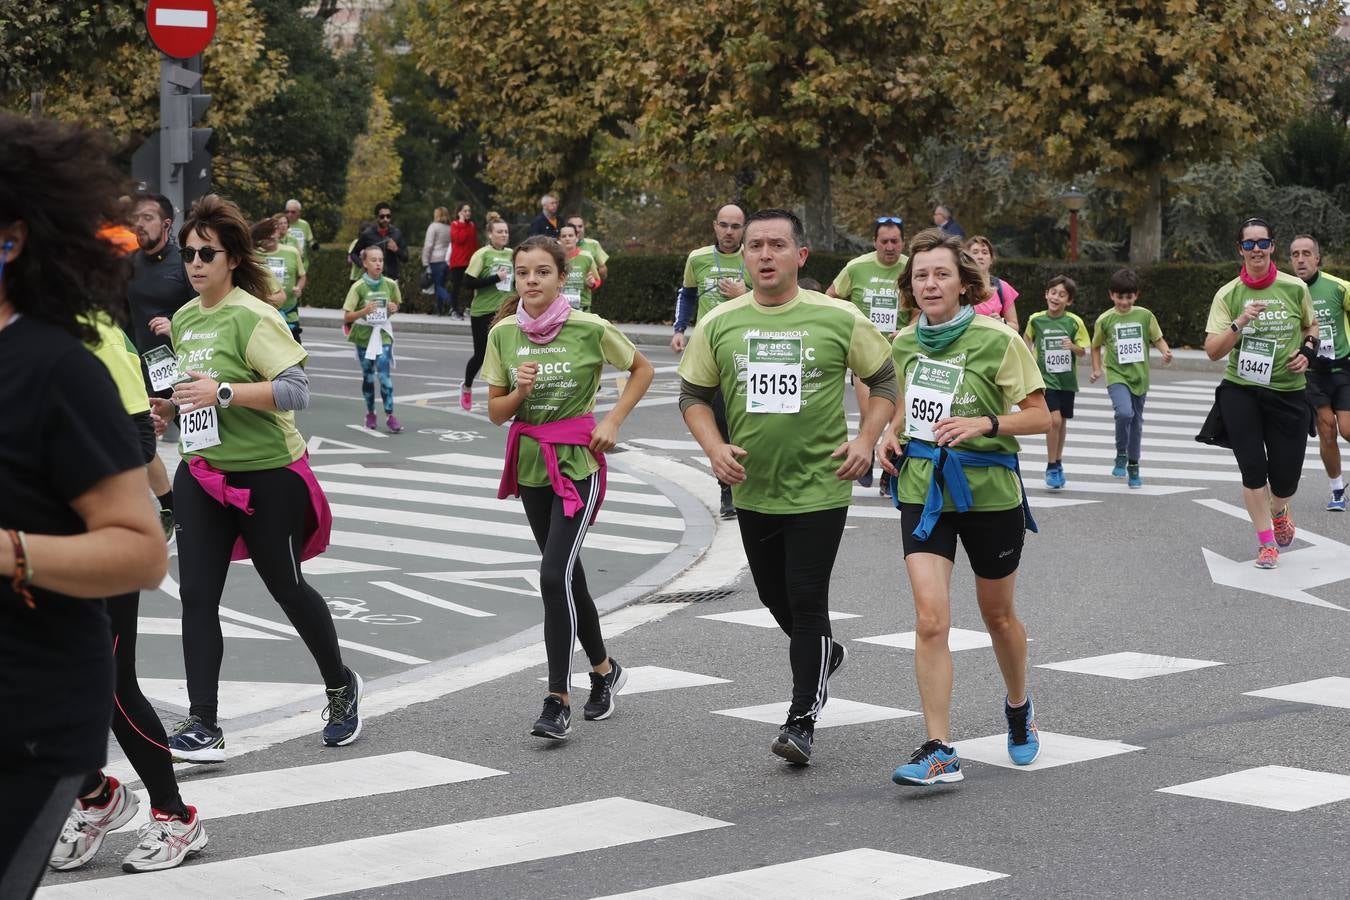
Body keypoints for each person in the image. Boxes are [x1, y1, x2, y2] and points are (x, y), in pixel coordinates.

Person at [0, 112, 168, 898]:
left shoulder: (56, 367)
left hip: (22, 719)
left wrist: (9, 551)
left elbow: (141, 551)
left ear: (12, 238)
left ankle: (164, 810)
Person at [679, 209, 897, 766]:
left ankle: (801, 719)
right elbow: (693, 396)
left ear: (800, 256)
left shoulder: (837, 317)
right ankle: (825, 652)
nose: (765, 254)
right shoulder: (721, 323)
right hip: (754, 486)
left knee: (804, 595)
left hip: (821, 485)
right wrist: (714, 448)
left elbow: (884, 379)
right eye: (755, 246)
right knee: (774, 594)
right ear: (743, 256)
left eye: (778, 245)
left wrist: (866, 440)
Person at [150, 194, 361, 764]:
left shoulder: (254, 315)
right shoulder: (187, 319)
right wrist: (169, 409)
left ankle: (341, 687)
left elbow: (296, 391)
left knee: (286, 587)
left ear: (231, 259)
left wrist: (221, 392)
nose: (194, 263)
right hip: (202, 472)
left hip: (268, 476)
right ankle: (204, 723)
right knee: (196, 595)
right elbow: (193, 392)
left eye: (206, 254)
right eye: (188, 253)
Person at [880, 227, 1050, 787]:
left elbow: (1039, 415)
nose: (930, 283)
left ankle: (1019, 705)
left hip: (988, 492)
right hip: (924, 491)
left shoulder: (998, 338)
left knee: (997, 615)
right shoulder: (905, 343)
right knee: (931, 619)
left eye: (940, 274)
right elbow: (908, 406)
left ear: (963, 283)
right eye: (920, 275)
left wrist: (984, 423)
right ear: (910, 286)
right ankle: (939, 747)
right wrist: (889, 433)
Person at [48, 313, 208, 875]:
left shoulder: (94, 331)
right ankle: (96, 797)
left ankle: (174, 817)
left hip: (101, 538)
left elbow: (139, 437)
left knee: (113, 687)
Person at [483, 235, 654, 739]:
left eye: (541, 272)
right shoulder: (503, 335)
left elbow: (641, 370)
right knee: (567, 577)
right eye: (522, 273)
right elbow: (495, 413)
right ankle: (604, 670)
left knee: (552, 574)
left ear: (562, 277)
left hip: (580, 463)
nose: (531, 281)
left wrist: (615, 421)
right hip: (533, 463)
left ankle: (557, 698)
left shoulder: (589, 327)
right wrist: (520, 391)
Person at [1202, 217, 1317, 568]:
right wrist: (1240, 322)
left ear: (1271, 247)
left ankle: (1279, 509)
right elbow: (1212, 351)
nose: (1256, 250)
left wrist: (1307, 352)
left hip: (1288, 391)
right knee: (1253, 471)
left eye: (1262, 243)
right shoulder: (1228, 293)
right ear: (1240, 249)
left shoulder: (1294, 287)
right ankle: (1266, 543)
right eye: (1248, 244)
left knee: (1285, 479)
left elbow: (1310, 325)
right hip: (1242, 390)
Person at [671, 203, 750, 520]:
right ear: (715, 226)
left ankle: (750, 483)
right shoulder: (698, 258)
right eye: (724, 225)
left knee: (746, 420)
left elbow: (775, 294)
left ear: (743, 229)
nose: (729, 232)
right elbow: (687, 294)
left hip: (746, 349)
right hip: (711, 352)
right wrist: (679, 328)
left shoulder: (754, 256)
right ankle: (727, 490)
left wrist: (744, 294)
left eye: (735, 226)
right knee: (719, 421)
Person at [827, 215, 910, 490]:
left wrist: (909, 329)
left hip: (902, 351)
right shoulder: (857, 267)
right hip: (866, 353)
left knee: (899, 415)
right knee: (869, 409)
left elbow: (923, 307)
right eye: (884, 241)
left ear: (902, 242)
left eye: (895, 241)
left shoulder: (911, 267)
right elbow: (831, 298)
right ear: (875, 242)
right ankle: (867, 450)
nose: (889, 247)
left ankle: (889, 468)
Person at [1090, 268, 1173, 488]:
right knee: (1124, 413)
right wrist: (1097, 368)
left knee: (1136, 423)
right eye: (1119, 297)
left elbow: (1158, 338)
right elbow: (1096, 345)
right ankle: (1120, 453)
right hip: (1116, 374)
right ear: (1111, 295)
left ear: (1136, 295)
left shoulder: (1145, 315)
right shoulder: (1105, 320)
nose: (1124, 302)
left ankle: (1134, 466)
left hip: (1140, 376)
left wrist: (1165, 351)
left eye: (1129, 297)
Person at [1288, 234, 1350, 511]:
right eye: (1295, 254)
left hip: (1344, 367)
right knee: (1326, 429)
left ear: (1317, 257)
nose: (1300, 259)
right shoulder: (1287, 290)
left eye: (1305, 253)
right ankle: (1337, 490)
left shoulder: (1339, 288)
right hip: (1312, 370)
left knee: (1347, 430)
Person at [1024, 275, 1089, 488]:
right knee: (1054, 420)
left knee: (1061, 422)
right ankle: (1051, 465)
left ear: (1068, 301)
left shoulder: (1074, 322)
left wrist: (1073, 347)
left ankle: (1058, 461)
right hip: (1044, 380)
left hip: (1066, 380)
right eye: (1053, 293)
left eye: (1062, 295)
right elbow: (1026, 343)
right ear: (1046, 294)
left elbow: (1083, 352)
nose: (1056, 297)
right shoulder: (1036, 319)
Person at [344, 243, 403, 433]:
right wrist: (365, 310)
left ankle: (390, 415)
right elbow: (347, 316)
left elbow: (396, 304)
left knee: (385, 377)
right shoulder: (358, 287)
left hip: (383, 334)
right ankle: (370, 412)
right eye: (373, 260)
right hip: (363, 336)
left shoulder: (390, 284)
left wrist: (393, 308)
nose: (378, 264)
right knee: (368, 377)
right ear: (365, 263)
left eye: (381, 260)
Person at [460, 216, 515, 410]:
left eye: (506, 231)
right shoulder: (482, 254)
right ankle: (467, 386)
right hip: (483, 311)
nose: (503, 235)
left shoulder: (512, 254)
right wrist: (495, 278)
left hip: (506, 312)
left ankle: (508, 394)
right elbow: (468, 282)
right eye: (499, 231)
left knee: (508, 353)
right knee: (481, 355)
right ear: (490, 234)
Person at [253, 215, 305, 331]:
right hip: (260, 315)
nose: (270, 236)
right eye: (266, 233)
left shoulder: (292, 251)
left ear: (278, 233)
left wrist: (299, 288)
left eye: (273, 232)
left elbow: (302, 275)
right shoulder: (251, 255)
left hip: (289, 311)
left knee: (294, 346)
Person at [965, 236, 1020, 333]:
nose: (980, 256)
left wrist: (1001, 322)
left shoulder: (1002, 287)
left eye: (985, 252)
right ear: (966, 258)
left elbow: (1015, 326)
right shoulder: (959, 286)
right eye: (975, 252)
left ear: (991, 260)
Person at [351, 202, 408, 281]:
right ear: (376, 217)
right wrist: (364, 266)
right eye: (382, 216)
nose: (385, 219)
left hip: (391, 280)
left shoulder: (396, 233)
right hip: (372, 280)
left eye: (388, 216)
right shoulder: (367, 234)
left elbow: (405, 258)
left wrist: (396, 249)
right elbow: (353, 254)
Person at [558, 223, 602, 311]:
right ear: (559, 239)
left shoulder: (587, 257)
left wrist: (592, 284)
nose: (567, 238)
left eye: (570, 235)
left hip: (582, 307)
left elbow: (597, 280)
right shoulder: (555, 259)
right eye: (564, 236)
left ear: (576, 237)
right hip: (560, 308)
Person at [447, 202, 479, 318]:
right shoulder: (455, 224)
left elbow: (474, 243)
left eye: (469, 211)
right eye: (465, 211)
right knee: (457, 287)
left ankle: (467, 308)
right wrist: (461, 223)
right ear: (459, 212)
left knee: (470, 286)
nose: (467, 213)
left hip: (469, 260)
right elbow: (459, 239)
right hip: (458, 261)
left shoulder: (471, 225)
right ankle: (454, 309)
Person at [422, 206, 452, 316]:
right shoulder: (450, 228)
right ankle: (439, 309)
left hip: (435, 259)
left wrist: (425, 261)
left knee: (437, 286)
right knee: (441, 285)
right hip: (447, 260)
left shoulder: (433, 227)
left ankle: (451, 302)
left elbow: (428, 245)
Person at [565, 213, 609, 280]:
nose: (577, 230)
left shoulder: (593, 244)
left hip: (587, 288)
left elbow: (602, 269)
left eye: (580, 226)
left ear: (584, 228)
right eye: (573, 227)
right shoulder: (558, 246)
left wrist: (596, 278)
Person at [281, 198, 316, 268]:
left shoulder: (304, 224)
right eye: (287, 211)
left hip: (301, 263)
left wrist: (314, 246)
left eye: (293, 212)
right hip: (286, 262)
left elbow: (310, 240)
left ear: (299, 212)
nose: (289, 214)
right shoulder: (281, 223)